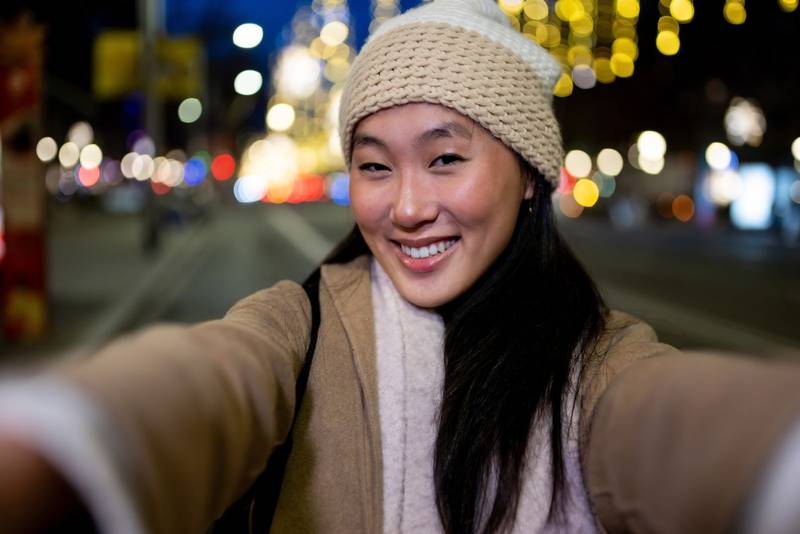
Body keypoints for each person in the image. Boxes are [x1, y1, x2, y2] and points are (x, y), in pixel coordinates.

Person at [2, 0, 800, 533]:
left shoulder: (597, 362)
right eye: (375, 168)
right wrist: (63, 441)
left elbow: (672, 420)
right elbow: (211, 381)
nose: (407, 206)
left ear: (529, 173)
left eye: (446, 158)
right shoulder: (301, 323)